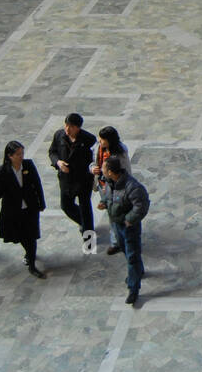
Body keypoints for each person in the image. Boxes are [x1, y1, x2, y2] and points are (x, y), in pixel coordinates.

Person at [0, 140, 47, 279]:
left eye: (22, 153)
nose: (21, 156)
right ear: (10, 156)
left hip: (30, 208)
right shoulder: (2, 171)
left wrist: (41, 202)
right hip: (13, 210)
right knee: (21, 236)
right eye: (18, 154)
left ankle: (31, 263)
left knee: (31, 236)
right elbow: (0, 192)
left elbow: (37, 184)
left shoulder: (28, 165)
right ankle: (29, 253)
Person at [100, 156, 149, 306]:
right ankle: (138, 271)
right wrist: (104, 203)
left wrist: (129, 219)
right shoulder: (109, 182)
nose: (101, 169)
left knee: (132, 255)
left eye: (104, 167)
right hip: (116, 224)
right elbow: (108, 196)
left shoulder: (132, 186)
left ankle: (133, 288)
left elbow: (141, 206)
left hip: (128, 227)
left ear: (110, 171)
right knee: (126, 251)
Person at [48, 113, 97, 239]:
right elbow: (52, 152)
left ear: (78, 128)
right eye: (66, 125)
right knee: (66, 206)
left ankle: (89, 236)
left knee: (85, 207)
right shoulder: (59, 135)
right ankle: (84, 223)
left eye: (71, 127)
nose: (67, 129)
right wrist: (58, 162)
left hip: (82, 180)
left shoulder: (88, 140)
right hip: (66, 179)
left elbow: (93, 160)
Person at [90, 126, 129, 256]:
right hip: (103, 185)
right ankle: (116, 241)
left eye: (102, 140)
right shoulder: (98, 148)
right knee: (111, 214)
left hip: (115, 187)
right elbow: (92, 162)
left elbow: (125, 171)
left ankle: (118, 241)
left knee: (117, 213)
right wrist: (93, 168)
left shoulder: (120, 152)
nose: (100, 142)